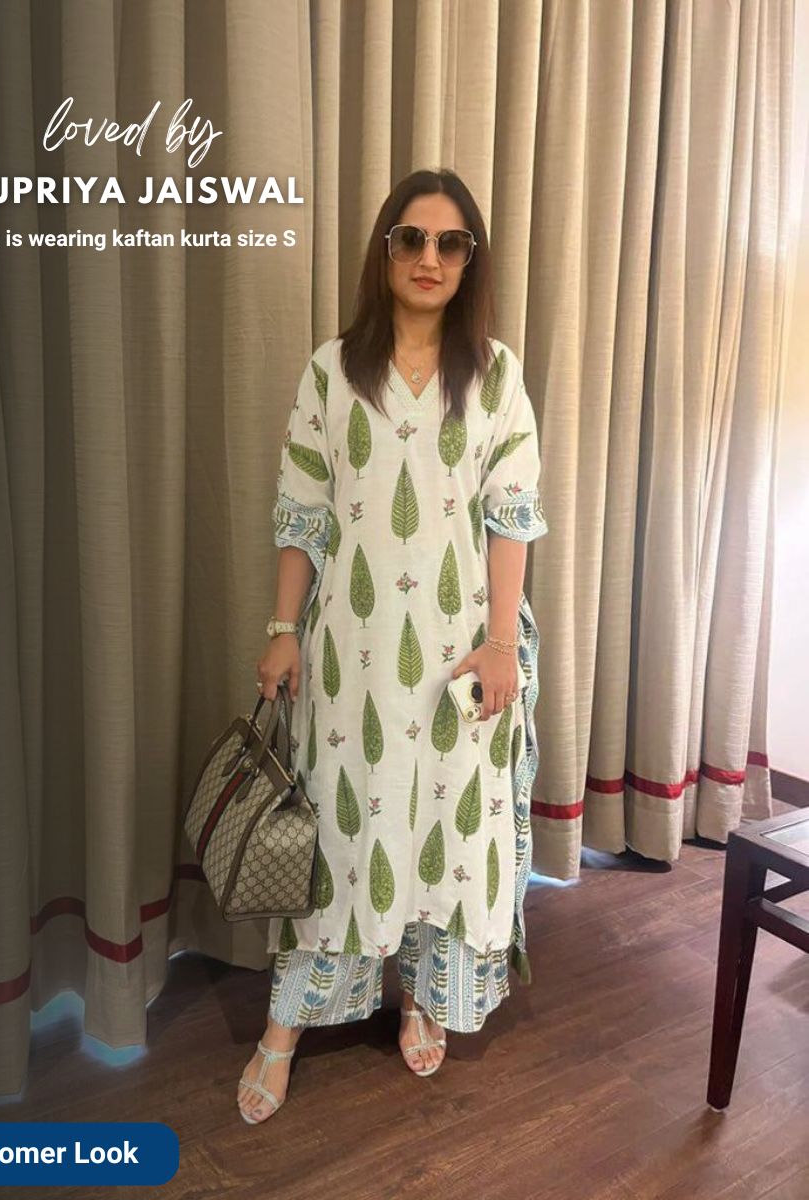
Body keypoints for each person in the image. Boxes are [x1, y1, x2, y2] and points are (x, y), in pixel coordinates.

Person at [238, 168, 549, 1124]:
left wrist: (500, 645)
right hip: (353, 659)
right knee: (341, 836)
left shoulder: (495, 376)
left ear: (470, 261)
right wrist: (283, 631)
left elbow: (511, 517)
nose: (429, 258)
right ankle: (283, 1030)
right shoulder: (332, 371)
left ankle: (420, 994)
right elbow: (303, 513)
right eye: (411, 239)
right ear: (385, 251)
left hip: (461, 663)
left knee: (441, 831)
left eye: (450, 243)